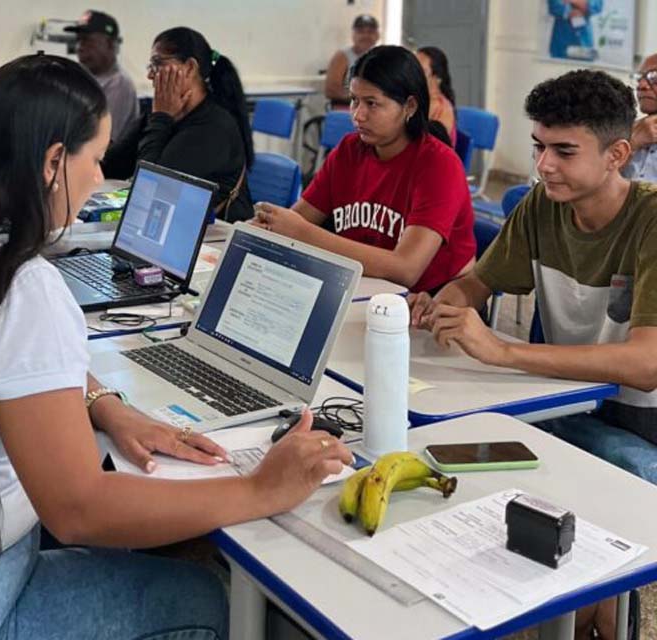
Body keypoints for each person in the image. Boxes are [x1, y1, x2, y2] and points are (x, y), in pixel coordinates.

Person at [0, 54, 354, 639]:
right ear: (53, 162)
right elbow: (78, 510)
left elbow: (6, 370)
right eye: (95, 159)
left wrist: (101, 402)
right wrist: (259, 488)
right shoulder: (20, 286)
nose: (100, 178)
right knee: (206, 600)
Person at [410, 67, 653, 640]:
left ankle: (597, 610)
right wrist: (445, 304)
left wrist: (501, 351)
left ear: (618, 153)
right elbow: (476, 285)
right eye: (539, 147)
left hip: (642, 421)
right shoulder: (543, 207)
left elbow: (646, 365)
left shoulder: (652, 220)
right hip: (566, 402)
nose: (543, 166)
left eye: (564, 151)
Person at [252, 46, 475, 293]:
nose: (358, 115)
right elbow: (296, 220)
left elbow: (406, 269)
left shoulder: (439, 165)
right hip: (364, 286)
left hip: (430, 302)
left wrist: (303, 233)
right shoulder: (349, 149)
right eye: (354, 100)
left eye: (372, 103)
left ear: (409, 106)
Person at [102, 27, 254, 223]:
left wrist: (160, 117)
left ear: (190, 68)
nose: (150, 75)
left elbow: (149, 190)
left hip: (214, 241)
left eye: (157, 64)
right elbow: (110, 168)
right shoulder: (166, 114)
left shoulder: (214, 128)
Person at [64, 10, 138, 142]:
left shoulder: (119, 85)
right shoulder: (81, 77)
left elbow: (101, 141)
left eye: (87, 41)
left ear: (110, 44)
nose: (80, 47)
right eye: (79, 40)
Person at [324, 14, 380, 108]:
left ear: (378, 35)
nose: (366, 36)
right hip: (348, 108)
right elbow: (330, 90)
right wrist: (363, 98)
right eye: (361, 32)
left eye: (370, 32)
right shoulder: (342, 57)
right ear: (353, 35)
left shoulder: (383, 56)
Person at [623, 52, 657, 183]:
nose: (641, 85)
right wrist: (632, 144)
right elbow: (595, 182)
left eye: (654, 77)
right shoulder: (624, 131)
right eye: (639, 78)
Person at [416, 46, 456, 145]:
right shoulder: (419, 99)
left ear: (437, 77)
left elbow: (431, 148)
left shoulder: (442, 108)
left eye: (421, 71)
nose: (413, 74)